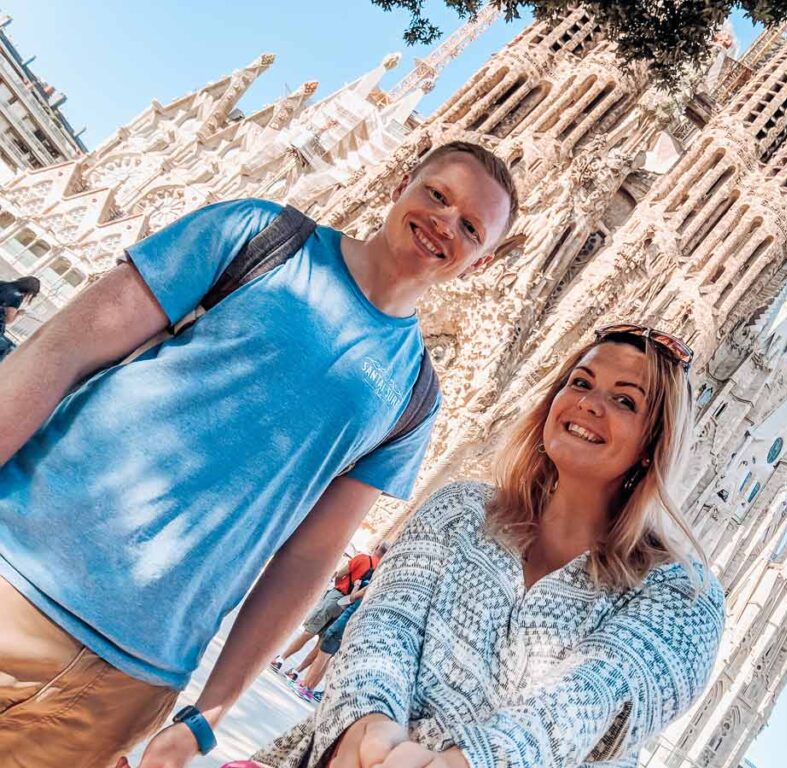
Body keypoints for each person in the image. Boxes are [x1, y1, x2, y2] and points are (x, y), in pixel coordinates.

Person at [0, 141, 517, 768]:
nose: (444, 223)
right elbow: (62, 349)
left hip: (127, 677)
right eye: (437, 194)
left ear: (483, 262)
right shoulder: (259, 235)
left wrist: (210, 713)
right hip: (15, 569)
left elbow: (308, 558)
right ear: (401, 184)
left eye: (470, 227)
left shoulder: (414, 397)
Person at [252, 324, 726, 768]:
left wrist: (465, 762)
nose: (590, 403)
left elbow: (593, 695)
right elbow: (387, 623)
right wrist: (367, 728)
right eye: (580, 383)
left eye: (625, 401)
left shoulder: (684, 595)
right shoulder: (461, 509)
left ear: (654, 443)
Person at [270, 542, 389, 680]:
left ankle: (281, 659)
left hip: (337, 597)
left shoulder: (362, 558)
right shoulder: (379, 572)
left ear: (376, 548)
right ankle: (296, 672)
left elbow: (340, 573)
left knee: (309, 631)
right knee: (322, 641)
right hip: (347, 607)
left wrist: (339, 584)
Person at [0, 275, 40, 361]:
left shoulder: (2, 283)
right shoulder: (16, 296)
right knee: (10, 348)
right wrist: (18, 313)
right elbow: (8, 320)